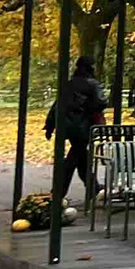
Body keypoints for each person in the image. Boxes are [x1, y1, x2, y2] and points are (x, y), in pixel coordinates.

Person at [43, 55, 107, 214]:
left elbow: (57, 105)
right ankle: (58, 192)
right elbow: (101, 102)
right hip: (84, 126)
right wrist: (89, 108)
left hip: (68, 126)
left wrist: (50, 125)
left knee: (80, 157)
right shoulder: (92, 84)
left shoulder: (69, 84)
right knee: (74, 158)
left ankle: (93, 188)